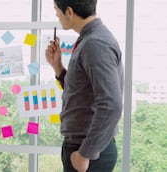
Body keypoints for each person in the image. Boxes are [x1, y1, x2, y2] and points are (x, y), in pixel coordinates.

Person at [45, 0, 124, 171]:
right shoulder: (89, 40)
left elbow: (111, 105)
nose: (57, 15)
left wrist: (85, 154)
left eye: (57, 10)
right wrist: (58, 67)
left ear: (70, 12)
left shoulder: (95, 44)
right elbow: (81, 94)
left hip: (88, 153)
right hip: (83, 148)